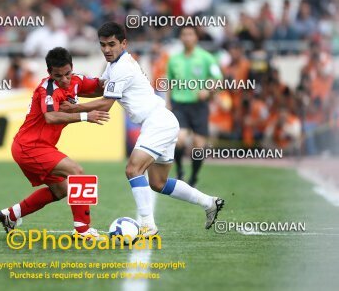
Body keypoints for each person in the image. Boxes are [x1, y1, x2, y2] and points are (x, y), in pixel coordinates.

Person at [60, 22, 224, 236]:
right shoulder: (116, 65)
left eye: (112, 44)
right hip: (161, 121)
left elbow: (105, 103)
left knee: (133, 169)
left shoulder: (123, 67)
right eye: (103, 45)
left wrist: (73, 107)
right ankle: (208, 202)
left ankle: (147, 224)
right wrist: (74, 90)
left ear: (124, 43)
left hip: (157, 122)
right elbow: (101, 88)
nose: (107, 50)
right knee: (158, 182)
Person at [0, 47, 109, 240]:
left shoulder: (76, 80)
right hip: (29, 147)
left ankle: (11, 214)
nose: (65, 80)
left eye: (67, 74)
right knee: (77, 173)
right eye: (58, 76)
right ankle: (82, 230)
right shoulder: (47, 89)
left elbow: (101, 86)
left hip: (41, 146)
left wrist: (123, 78)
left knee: (61, 190)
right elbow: (50, 116)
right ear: (49, 73)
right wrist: (85, 116)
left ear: (72, 68)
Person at [168, 25, 223, 187]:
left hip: (199, 106)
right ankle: (179, 170)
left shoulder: (206, 58)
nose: (187, 37)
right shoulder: (173, 60)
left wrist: (208, 90)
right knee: (179, 140)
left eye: (190, 34)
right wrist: (168, 103)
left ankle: (194, 177)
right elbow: (169, 83)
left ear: (196, 37)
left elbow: (218, 80)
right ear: (180, 38)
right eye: (184, 34)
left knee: (199, 146)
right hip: (180, 105)